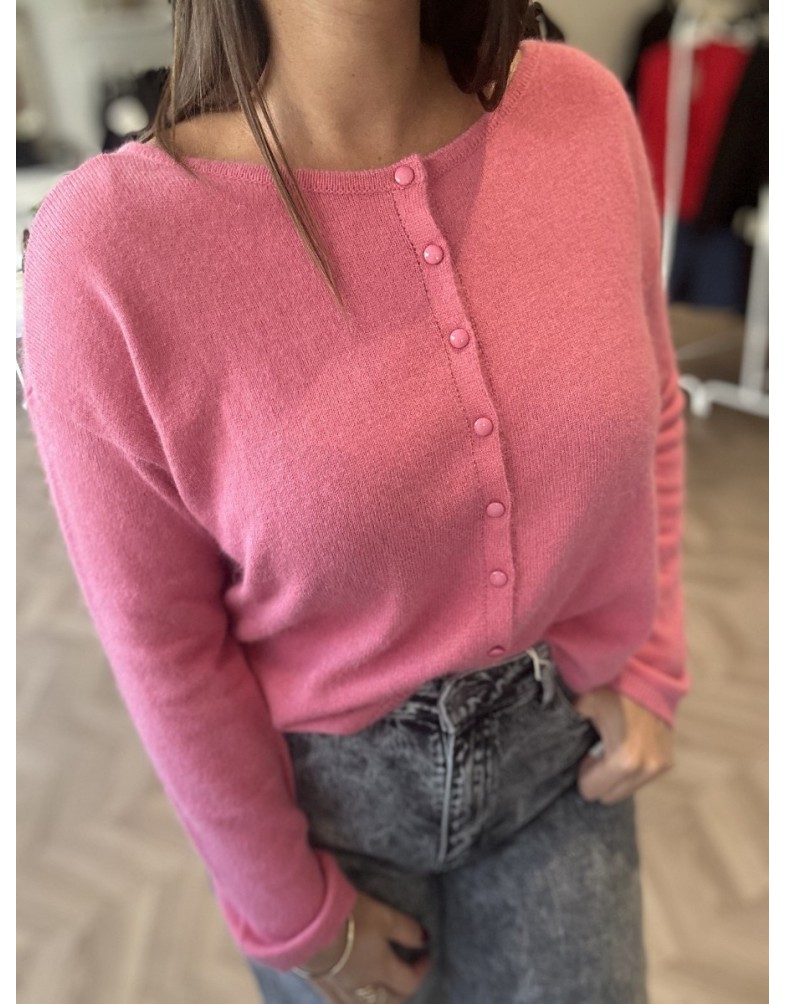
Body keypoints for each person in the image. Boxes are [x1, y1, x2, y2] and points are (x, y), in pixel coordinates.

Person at [21, 1, 690, 1001]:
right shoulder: (106, 251)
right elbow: (164, 642)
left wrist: (651, 660)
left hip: (564, 765)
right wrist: (291, 911)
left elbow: (658, 406)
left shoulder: (583, 111)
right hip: (326, 817)